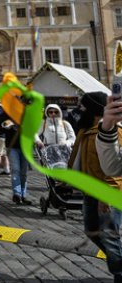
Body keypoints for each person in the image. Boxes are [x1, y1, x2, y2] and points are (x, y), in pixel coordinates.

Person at [70, 91, 122, 282]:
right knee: (91, 231)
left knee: (109, 235)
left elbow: (114, 168)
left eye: (83, 106)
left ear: (92, 108)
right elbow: (78, 158)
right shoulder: (86, 130)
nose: (79, 110)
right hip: (89, 190)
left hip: (106, 193)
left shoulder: (112, 130)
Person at [3, 116, 29, 205]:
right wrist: (8, 123)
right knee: (15, 170)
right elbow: (1, 127)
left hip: (26, 148)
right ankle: (17, 194)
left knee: (24, 173)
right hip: (13, 147)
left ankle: (23, 195)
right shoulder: (8, 114)